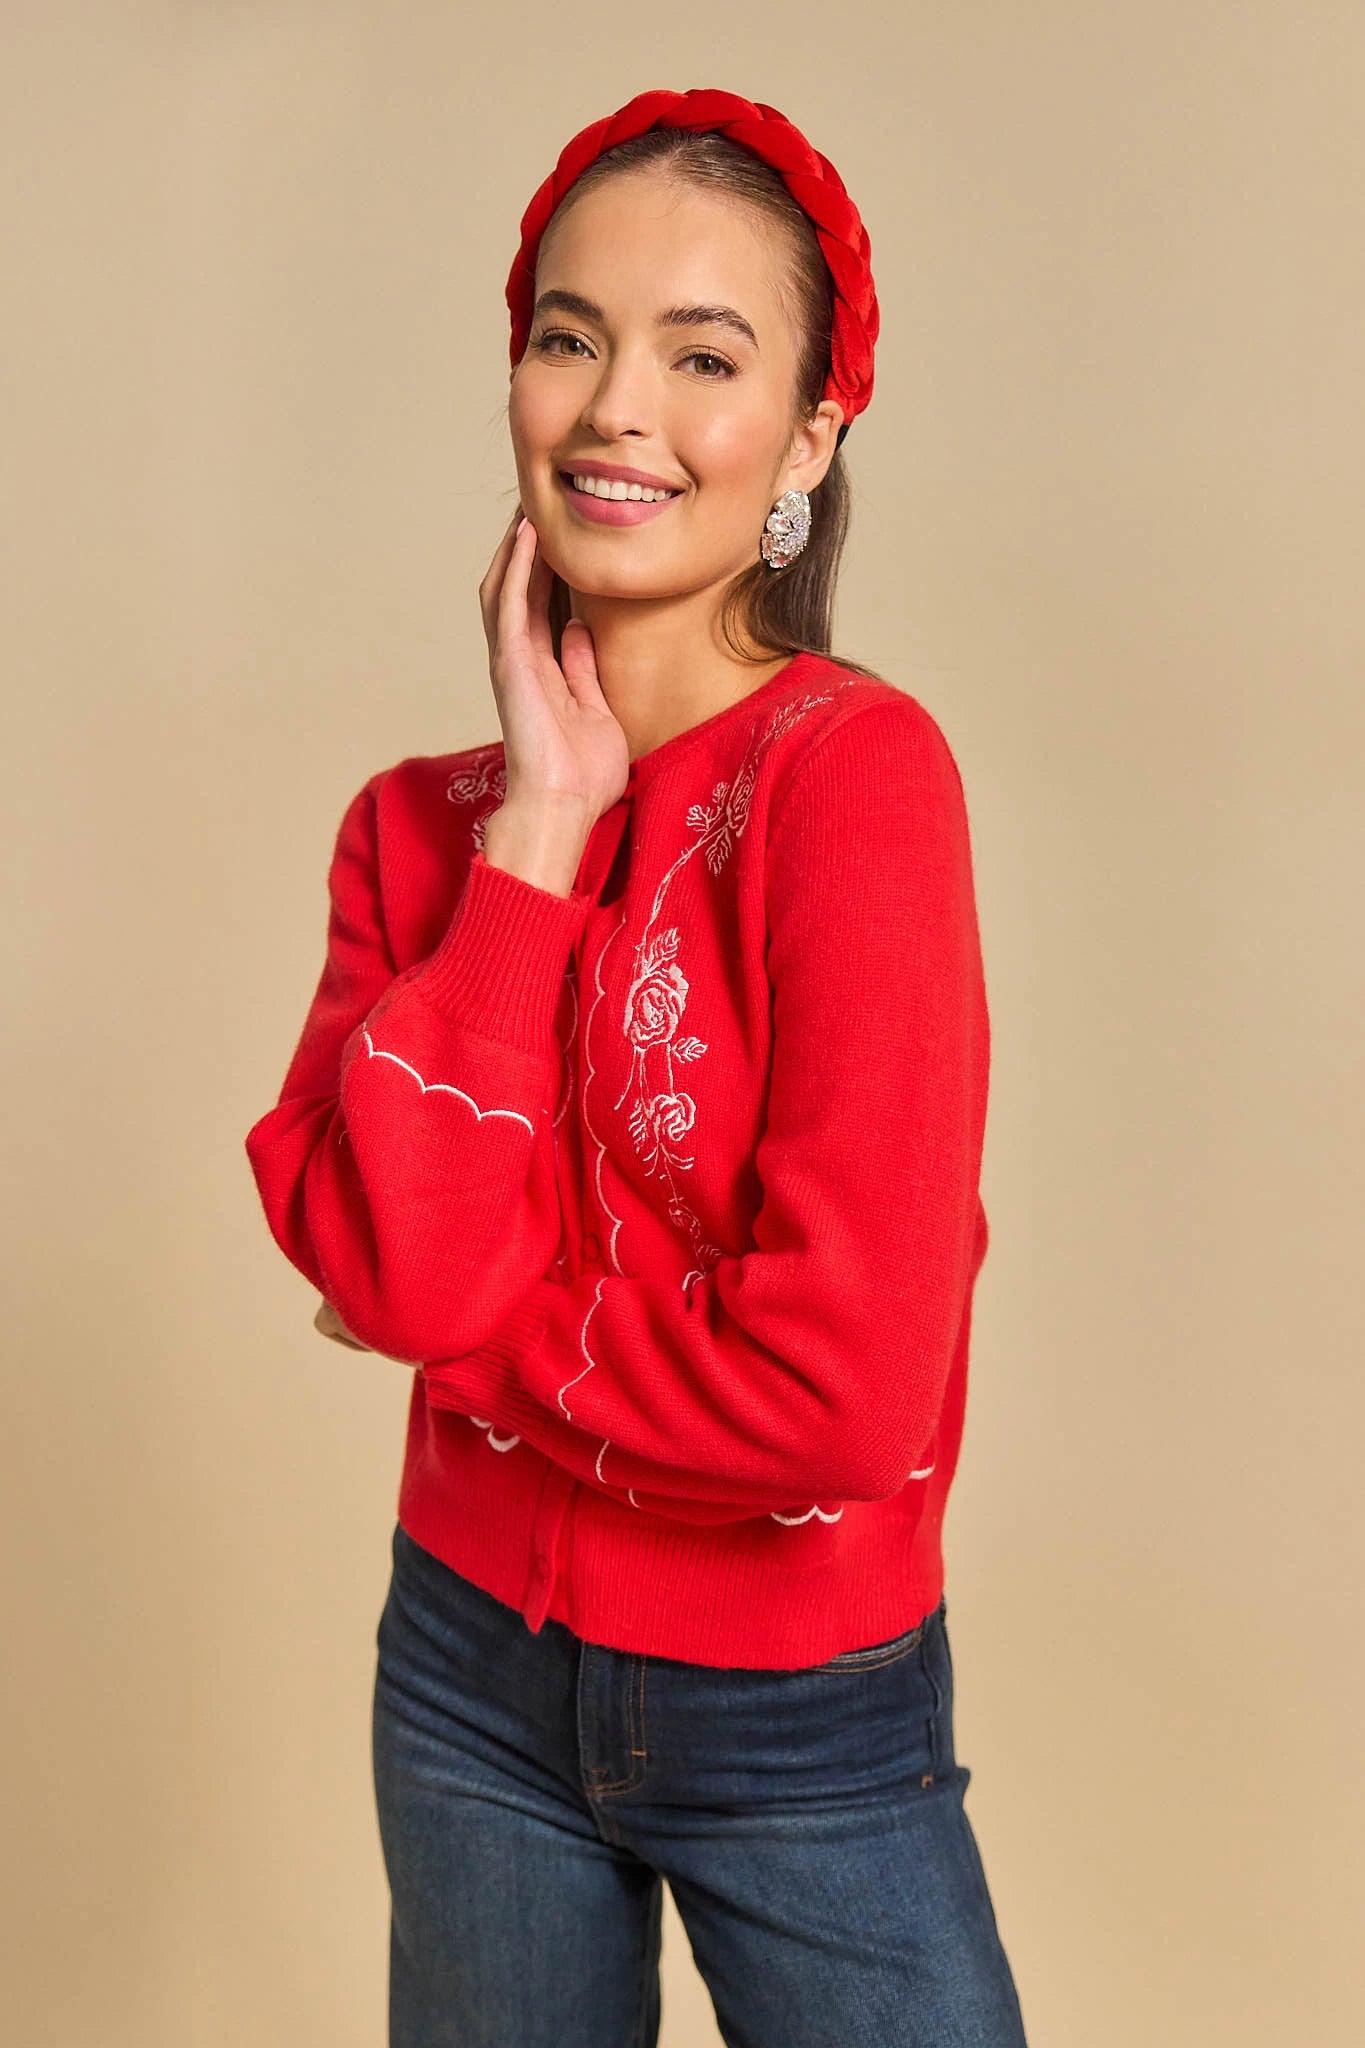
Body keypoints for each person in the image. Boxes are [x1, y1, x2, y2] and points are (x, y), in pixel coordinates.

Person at [244, 85, 1029, 2048]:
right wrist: (532, 833)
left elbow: (838, 1392)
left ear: (806, 434)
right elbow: (400, 1267)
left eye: (704, 355)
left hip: (796, 1707)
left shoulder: (849, 782)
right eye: (568, 336)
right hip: (462, 1677)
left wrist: (453, 1337)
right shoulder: (418, 830)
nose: (616, 411)